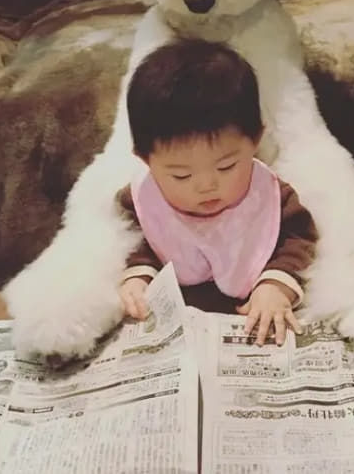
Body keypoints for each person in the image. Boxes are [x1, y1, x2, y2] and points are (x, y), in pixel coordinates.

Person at [117, 39, 318, 346]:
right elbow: (132, 239)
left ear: (255, 140)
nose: (206, 186)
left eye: (226, 167)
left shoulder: (271, 197)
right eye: (181, 175)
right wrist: (138, 275)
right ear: (145, 159)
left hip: (248, 315)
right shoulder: (140, 200)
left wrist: (277, 285)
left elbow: (299, 238)